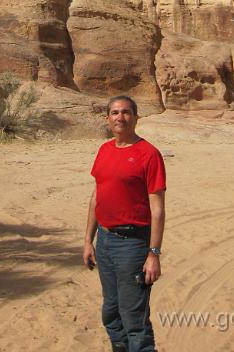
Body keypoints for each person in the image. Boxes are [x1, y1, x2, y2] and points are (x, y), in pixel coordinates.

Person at [83, 95, 166, 352]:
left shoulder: (149, 154)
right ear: (108, 119)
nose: (121, 117)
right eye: (115, 113)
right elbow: (97, 196)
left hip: (132, 244)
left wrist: (153, 253)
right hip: (105, 241)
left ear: (136, 117)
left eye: (126, 112)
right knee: (111, 311)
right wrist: (88, 240)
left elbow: (157, 208)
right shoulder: (105, 150)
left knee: (134, 317)